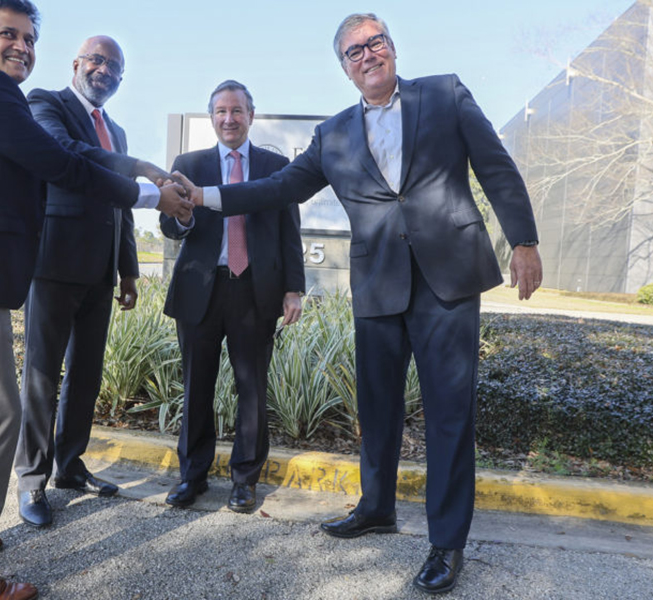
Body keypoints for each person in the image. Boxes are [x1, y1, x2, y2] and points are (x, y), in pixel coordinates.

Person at [176, 14, 542, 594]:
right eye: (354, 51)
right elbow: (279, 188)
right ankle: (377, 506)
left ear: (392, 49)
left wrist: (523, 240)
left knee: (449, 413)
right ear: (344, 67)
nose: (367, 55)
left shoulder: (444, 94)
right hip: (378, 285)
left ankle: (446, 542)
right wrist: (206, 196)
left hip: (448, 278)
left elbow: (495, 165)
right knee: (377, 406)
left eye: (376, 44)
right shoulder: (334, 133)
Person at [0, 1, 190, 598]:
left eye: (29, 38)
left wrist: (144, 167)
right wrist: (150, 195)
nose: (22, 46)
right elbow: (61, 162)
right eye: (7, 34)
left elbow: (78, 154)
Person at [13, 35, 141, 527]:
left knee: (85, 376)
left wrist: (128, 269)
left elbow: (122, 206)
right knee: (42, 379)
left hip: (99, 271)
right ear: (77, 63)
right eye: (97, 59)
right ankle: (31, 480)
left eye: (114, 66)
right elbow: (63, 153)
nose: (104, 70)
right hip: (53, 265)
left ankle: (69, 465)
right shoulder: (46, 104)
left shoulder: (119, 133)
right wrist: (137, 172)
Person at [161, 80, 305, 513]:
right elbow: (171, 228)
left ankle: (245, 480)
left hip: (255, 290)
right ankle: (193, 477)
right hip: (200, 291)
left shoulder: (276, 165)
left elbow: (289, 233)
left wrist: (293, 289)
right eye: (221, 111)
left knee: (252, 390)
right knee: (196, 388)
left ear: (251, 116)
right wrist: (183, 218)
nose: (229, 118)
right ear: (212, 118)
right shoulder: (189, 164)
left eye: (237, 111)